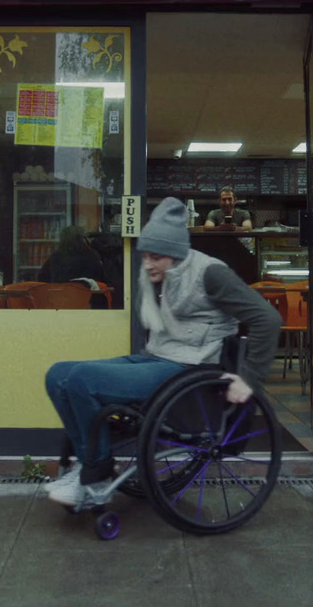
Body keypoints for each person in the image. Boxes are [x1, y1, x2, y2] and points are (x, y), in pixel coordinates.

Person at [42, 197, 280, 508]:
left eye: (156, 257)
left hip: (189, 367)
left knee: (81, 380)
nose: (148, 264)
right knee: (58, 374)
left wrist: (248, 379)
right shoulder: (160, 276)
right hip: (158, 357)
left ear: (177, 253)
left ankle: (95, 471)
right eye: (146, 257)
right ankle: (90, 462)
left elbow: (268, 319)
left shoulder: (211, 273)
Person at [37, 224, 105, 285]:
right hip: (86, 297)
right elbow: (101, 280)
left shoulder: (55, 256)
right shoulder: (92, 256)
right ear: (82, 239)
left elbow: (42, 277)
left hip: (59, 296)